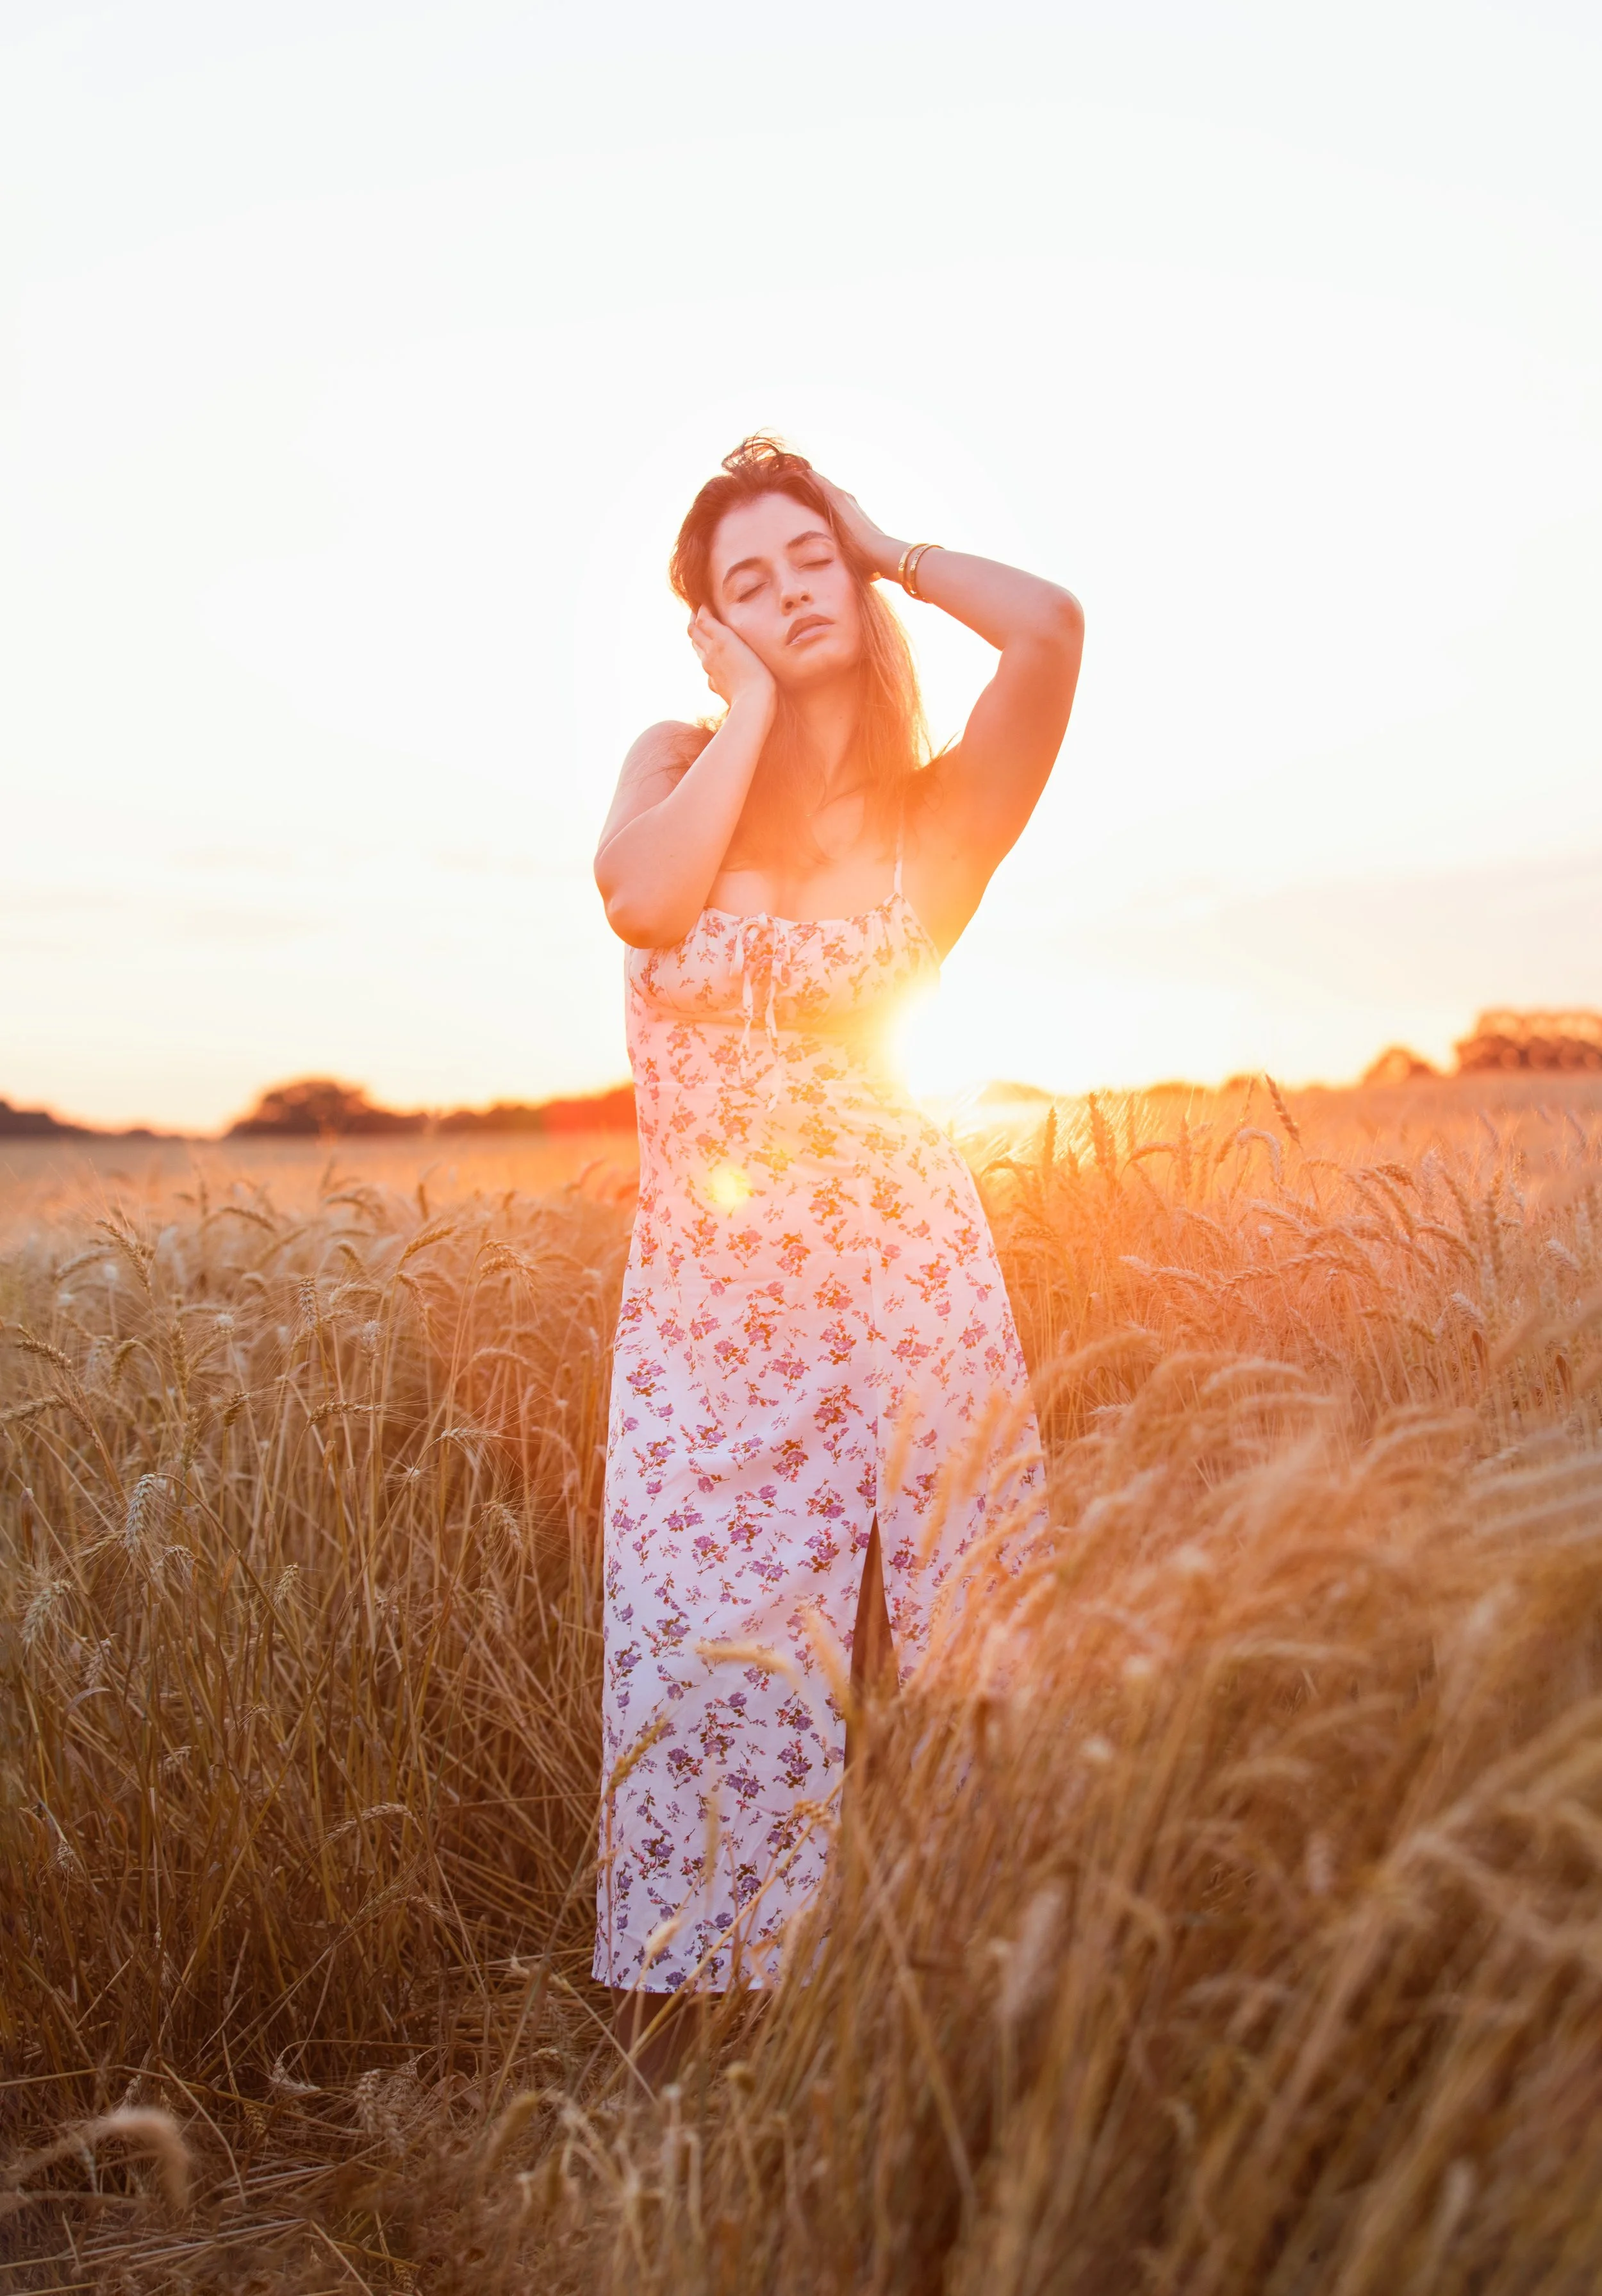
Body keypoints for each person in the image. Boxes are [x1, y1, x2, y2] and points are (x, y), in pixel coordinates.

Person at [591, 437, 1083, 2071]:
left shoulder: (934, 816)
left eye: (810, 561)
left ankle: (953, 2021)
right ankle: (705, 2051)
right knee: (703, 1656)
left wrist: (887, 547)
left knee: (949, 1655)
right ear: (707, 627)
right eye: (748, 581)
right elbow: (642, 903)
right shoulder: (674, 761)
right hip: (705, 1321)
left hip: (906, 1295)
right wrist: (743, 706)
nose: (790, 591)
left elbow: (1049, 629)